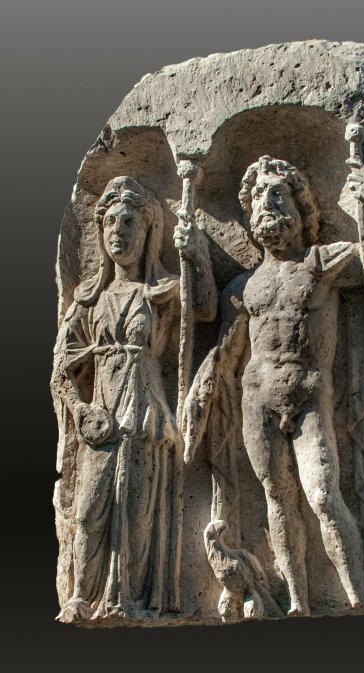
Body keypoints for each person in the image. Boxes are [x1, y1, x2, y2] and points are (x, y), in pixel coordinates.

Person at [182, 156, 364, 615]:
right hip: (257, 398)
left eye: (278, 193)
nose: (268, 202)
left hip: (308, 394)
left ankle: (359, 597)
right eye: (260, 195)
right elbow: (221, 347)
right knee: (277, 499)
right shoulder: (243, 286)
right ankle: (298, 601)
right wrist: (196, 257)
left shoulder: (321, 262)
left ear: (302, 209)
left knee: (322, 495)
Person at [52, 176, 216, 622]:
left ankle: (130, 601)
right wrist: (80, 411)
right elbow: (62, 368)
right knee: (89, 513)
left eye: (129, 223)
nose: (118, 232)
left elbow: (204, 309)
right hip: (102, 413)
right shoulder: (89, 301)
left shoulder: (161, 291)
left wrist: (197, 255)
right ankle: (81, 596)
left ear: (148, 232)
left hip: (144, 413)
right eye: (110, 223)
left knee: (136, 515)